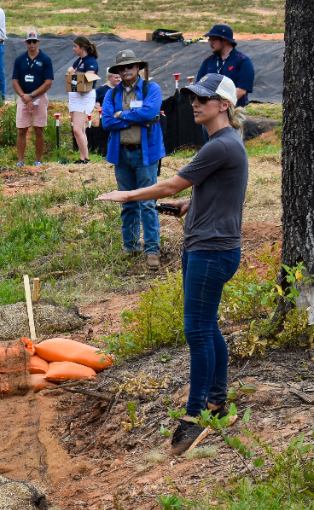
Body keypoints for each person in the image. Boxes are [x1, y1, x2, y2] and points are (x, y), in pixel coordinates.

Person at [97, 74, 248, 455]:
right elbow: (219, 191)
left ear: (224, 105)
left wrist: (128, 195)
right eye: (192, 97)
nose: (194, 104)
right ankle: (217, 403)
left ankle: (195, 418)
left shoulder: (220, 145)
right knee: (207, 326)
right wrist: (190, 205)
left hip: (211, 251)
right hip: (210, 247)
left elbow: (169, 185)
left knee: (197, 331)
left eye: (203, 99)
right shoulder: (224, 143)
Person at [101, 48, 165, 270]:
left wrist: (122, 115)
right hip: (121, 154)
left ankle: (152, 250)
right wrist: (134, 119)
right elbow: (106, 122)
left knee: (147, 203)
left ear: (138, 67)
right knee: (127, 202)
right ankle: (130, 248)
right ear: (117, 71)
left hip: (145, 154)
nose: (126, 70)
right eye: (122, 67)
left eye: (130, 66)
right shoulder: (111, 94)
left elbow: (149, 113)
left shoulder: (151, 89)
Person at [11, 30, 53, 167]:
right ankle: (20, 161)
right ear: (26, 42)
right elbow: (15, 82)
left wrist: (32, 95)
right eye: (29, 41)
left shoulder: (45, 59)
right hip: (23, 97)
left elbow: (48, 82)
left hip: (39, 97)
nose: (32, 44)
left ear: (38, 42)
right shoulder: (20, 60)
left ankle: (38, 161)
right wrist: (25, 97)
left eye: (34, 41)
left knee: (39, 129)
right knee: (21, 129)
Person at [195, 24, 254, 107]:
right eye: (209, 40)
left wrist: (221, 105)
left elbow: (241, 90)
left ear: (225, 40)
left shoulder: (242, 61)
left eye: (213, 40)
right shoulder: (208, 61)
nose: (210, 43)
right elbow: (199, 87)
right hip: (210, 109)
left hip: (234, 108)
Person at [66, 36, 99, 164]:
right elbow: (74, 80)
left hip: (84, 97)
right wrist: (72, 74)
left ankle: (86, 158)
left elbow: (86, 80)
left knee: (77, 129)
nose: (73, 49)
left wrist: (72, 74)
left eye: (75, 46)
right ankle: (82, 156)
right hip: (75, 96)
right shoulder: (78, 61)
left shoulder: (91, 62)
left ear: (82, 47)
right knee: (80, 129)